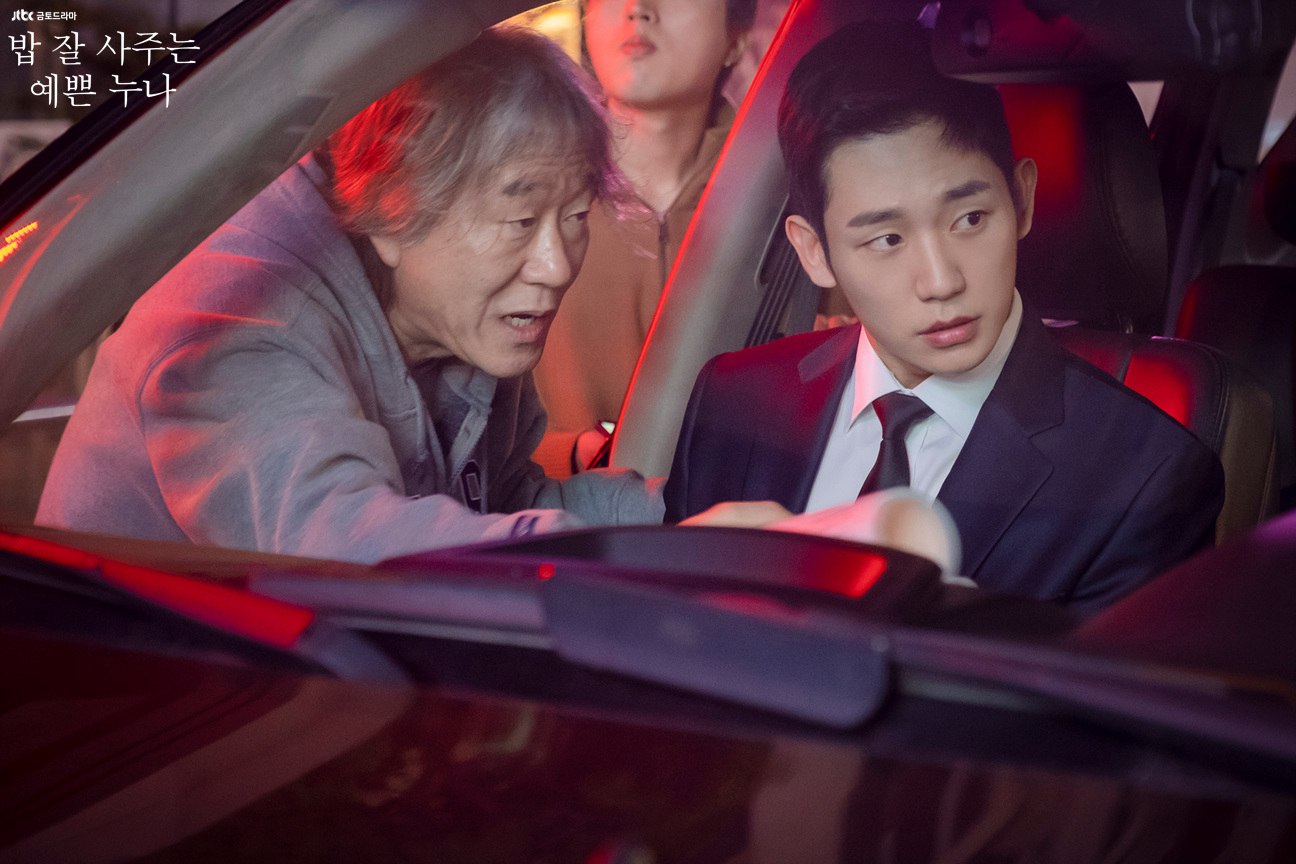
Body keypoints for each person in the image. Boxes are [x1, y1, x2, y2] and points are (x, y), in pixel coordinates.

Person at [37, 27, 663, 563]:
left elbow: (496, 509)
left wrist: (681, 515)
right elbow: (348, 550)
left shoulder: (459, 311)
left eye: (576, 216)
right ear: (394, 210)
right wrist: (619, 560)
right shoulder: (241, 321)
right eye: (520, 222)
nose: (556, 267)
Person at [664, 21, 1225, 613]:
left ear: (1021, 199)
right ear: (813, 252)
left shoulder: (1145, 478)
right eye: (886, 240)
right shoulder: (731, 402)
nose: (941, 282)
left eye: (970, 219)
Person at [531, 0, 756, 475]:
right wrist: (571, 455)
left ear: (737, 36)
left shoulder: (781, 195)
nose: (637, 9)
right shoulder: (523, 189)